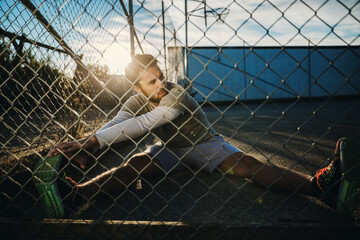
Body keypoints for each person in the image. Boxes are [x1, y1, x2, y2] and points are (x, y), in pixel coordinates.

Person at [34, 54, 360, 219]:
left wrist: (88, 144)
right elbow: (117, 124)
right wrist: (86, 143)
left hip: (205, 144)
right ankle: (74, 196)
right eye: (150, 83)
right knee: (135, 163)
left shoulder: (175, 94)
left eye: (159, 77)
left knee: (247, 165)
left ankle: (321, 187)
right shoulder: (133, 101)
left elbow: (155, 120)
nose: (159, 85)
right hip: (171, 149)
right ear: (136, 88)